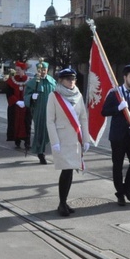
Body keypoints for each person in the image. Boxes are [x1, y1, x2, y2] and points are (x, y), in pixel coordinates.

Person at [46, 68, 90, 216]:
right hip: (62, 140)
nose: (71, 82)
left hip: (75, 140)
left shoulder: (78, 95)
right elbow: (50, 121)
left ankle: (63, 202)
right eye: (68, 79)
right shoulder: (54, 96)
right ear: (61, 81)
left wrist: (86, 139)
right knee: (66, 171)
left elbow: (83, 117)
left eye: (73, 79)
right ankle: (61, 204)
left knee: (70, 171)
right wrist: (54, 141)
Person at [102, 64, 130, 206]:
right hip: (118, 136)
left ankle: (128, 189)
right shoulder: (115, 93)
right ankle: (120, 193)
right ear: (125, 77)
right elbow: (104, 111)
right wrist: (118, 108)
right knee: (118, 165)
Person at [24, 60, 56, 164]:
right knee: (40, 130)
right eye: (40, 70)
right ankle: (40, 152)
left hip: (51, 110)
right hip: (39, 110)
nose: (42, 71)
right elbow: (26, 96)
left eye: (44, 69)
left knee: (50, 131)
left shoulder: (52, 81)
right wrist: (31, 97)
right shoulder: (33, 83)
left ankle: (49, 149)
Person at [5, 61, 31, 150]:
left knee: (26, 123)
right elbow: (8, 93)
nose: (17, 71)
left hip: (26, 107)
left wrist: (26, 101)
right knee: (15, 123)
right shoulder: (11, 80)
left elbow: (30, 92)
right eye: (16, 70)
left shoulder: (29, 80)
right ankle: (17, 141)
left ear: (23, 70)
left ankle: (27, 142)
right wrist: (16, 101)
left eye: (19, 70)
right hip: (15, 107)